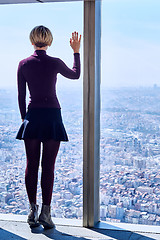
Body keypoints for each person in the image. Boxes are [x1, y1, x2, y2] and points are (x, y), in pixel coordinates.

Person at [16, 25, 81, 229]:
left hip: (32, 117)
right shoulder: (54, 63)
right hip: (52, 116)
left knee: (31, 165)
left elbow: (20, 96)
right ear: (50, 41)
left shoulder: (24, 64)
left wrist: (25, 120)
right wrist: (76, 51)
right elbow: (75, 74)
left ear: (31, 40)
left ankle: (32, 212)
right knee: (48, 167)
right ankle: (46, 213)